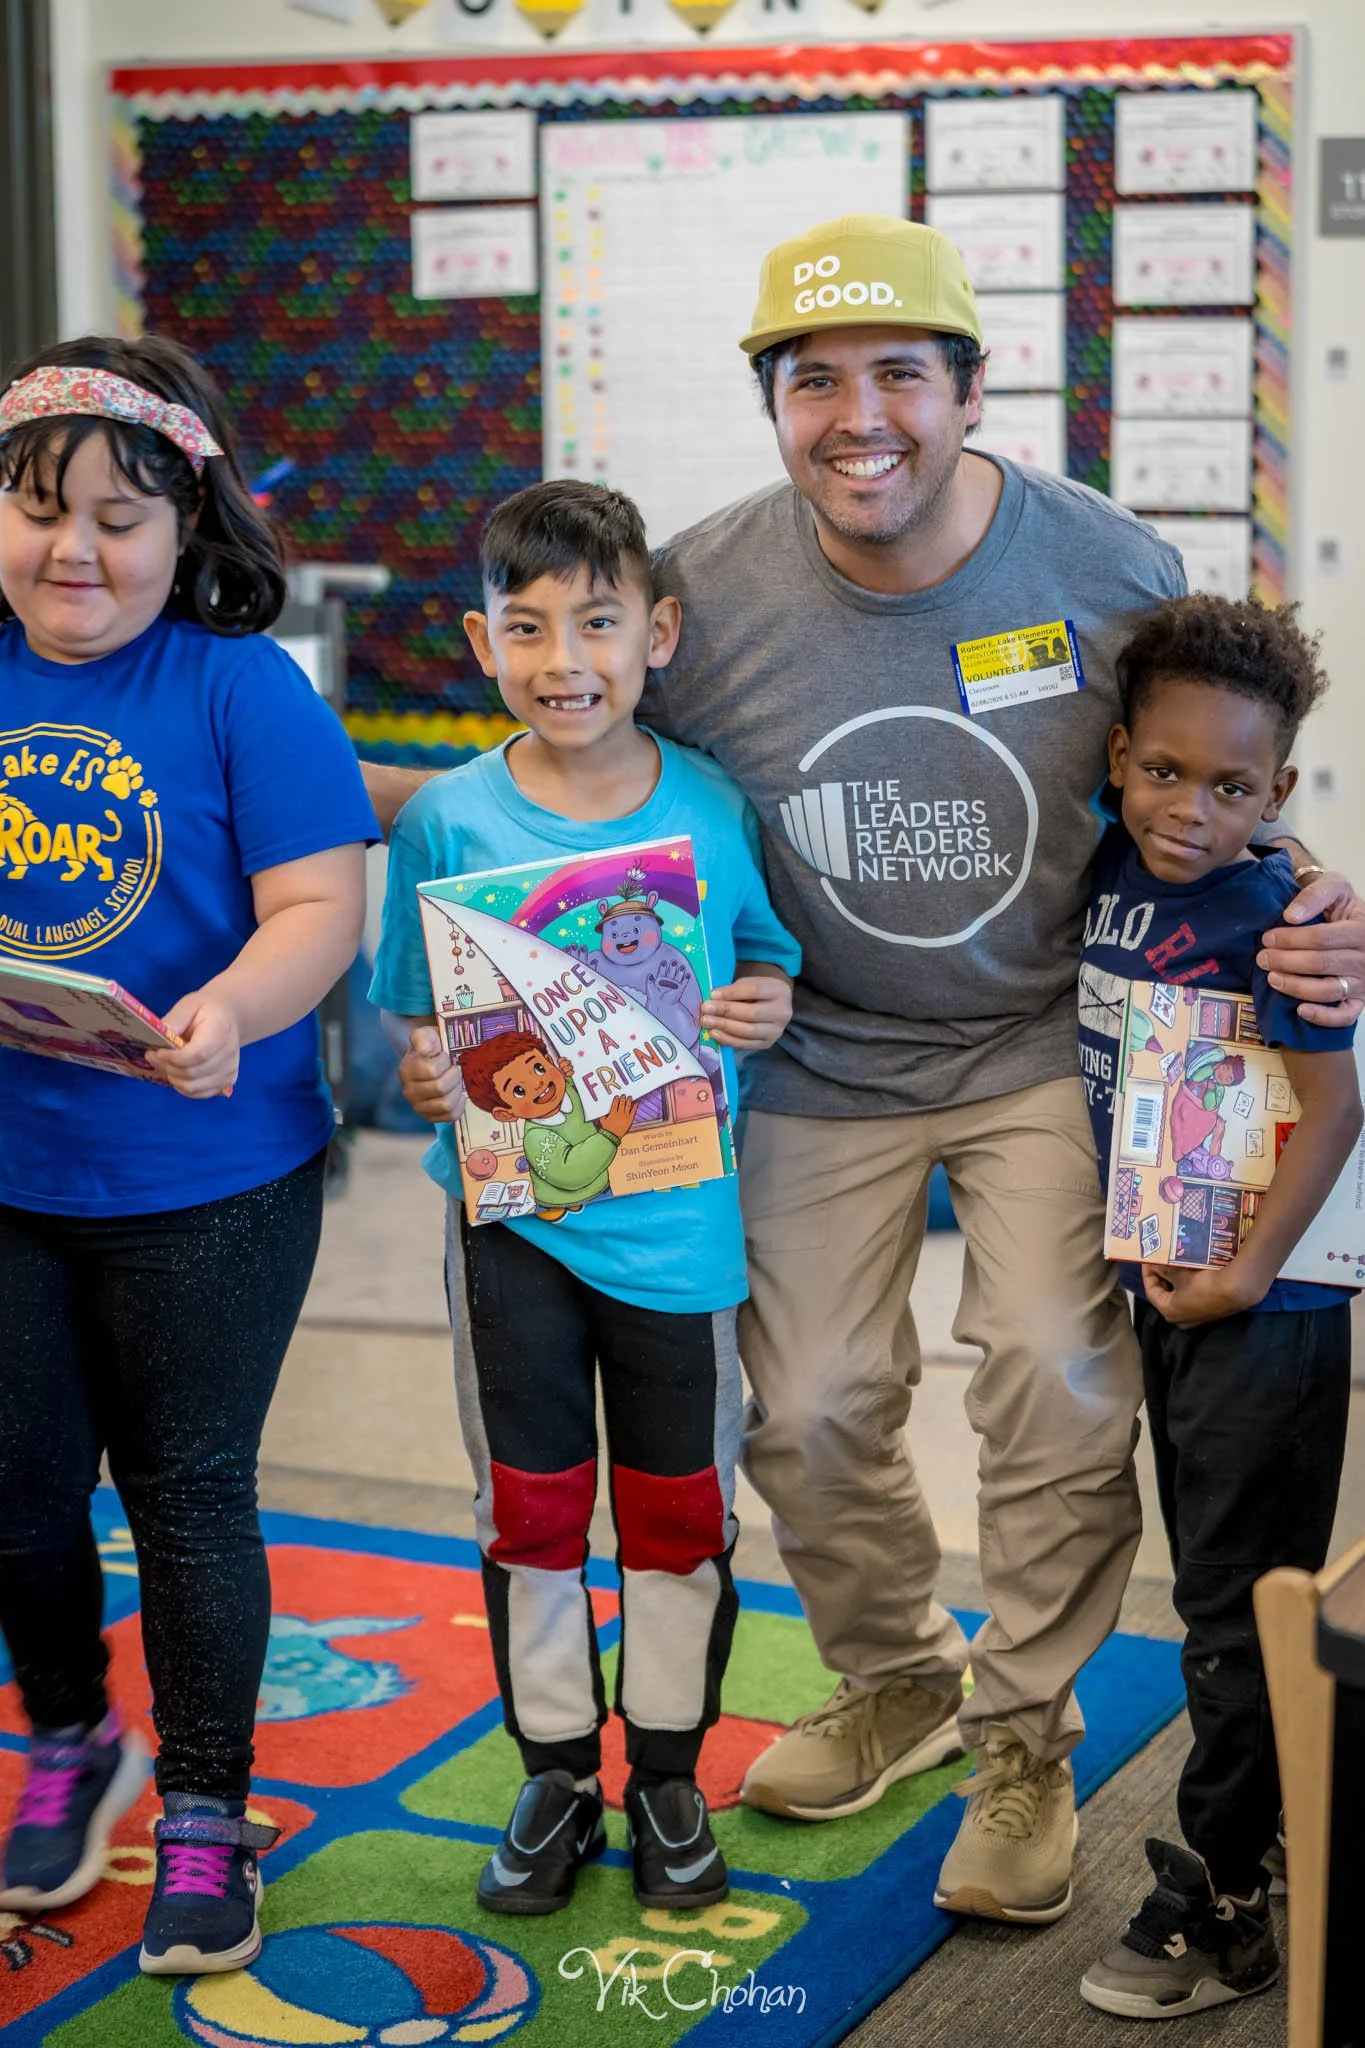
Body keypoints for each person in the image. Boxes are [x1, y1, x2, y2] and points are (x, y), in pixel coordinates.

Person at [361, 215, 1365, 1923]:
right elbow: (569, 769)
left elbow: (1224, 763)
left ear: (973, 390)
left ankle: (1027, 1735)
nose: (860, 415)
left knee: (1053, 1373)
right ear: (773, 405)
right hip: (813, 1051)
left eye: (902, 372)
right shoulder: (702, 590)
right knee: (811, 1406)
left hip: (1045, 1036)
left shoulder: (1107, 569)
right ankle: (897, 1672)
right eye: (813, 380)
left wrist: (1322, 889)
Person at [368, 479, 800, 1916]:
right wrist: (428, 1073)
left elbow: (759, 961)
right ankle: (555, 1767)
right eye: (529, 626)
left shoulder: (711, 805)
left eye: (599, 623)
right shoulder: (444, 821)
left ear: (657, 631)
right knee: (534, 1510)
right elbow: (411, 1020)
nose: (566, 657)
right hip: (512, 1237)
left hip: (680, 1233)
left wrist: (759, 1002)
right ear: (481, 643)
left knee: (679, 1513)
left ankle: (667, 1771)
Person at [0, 337, 377, 1973]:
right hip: (10, 1173)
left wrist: (229, 1007)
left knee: (188, 1496)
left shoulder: (242, 688)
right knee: (18, 1492)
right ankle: (78, 1741)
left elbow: (320, 907)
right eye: (34, 513)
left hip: (210, 1180)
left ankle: (209, 1810)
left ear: (189, 530)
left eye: (117, 520)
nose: (73, 552)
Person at [1075, 596, 1359, 2018]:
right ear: (1120, 758)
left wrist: (1248, 1272)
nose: (1192, 809)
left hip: (1272, 1305)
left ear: (1280, 792)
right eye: (1165, 773)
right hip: (1167, 1286)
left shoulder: (1281, 920)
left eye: (1234, 787)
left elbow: (1335, 1104)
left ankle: (1226, 1895)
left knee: (1237, 1607)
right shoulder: (1110, 864)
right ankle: (1280, 1822)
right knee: (1211, 1592)